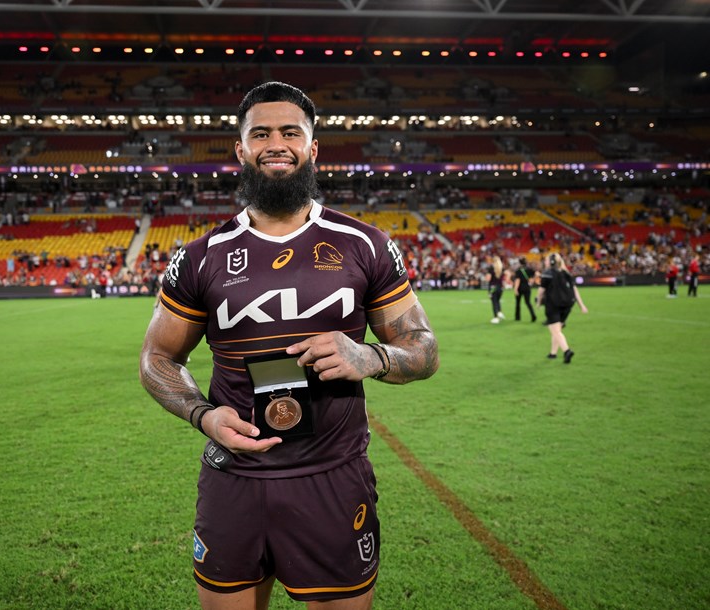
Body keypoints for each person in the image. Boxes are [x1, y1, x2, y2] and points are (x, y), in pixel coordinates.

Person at [138, 81, 439, 610]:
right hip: (234, 477)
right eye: (260, 133)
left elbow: (424, 348)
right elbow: (157, 359)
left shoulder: (364, 244)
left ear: (312, 147)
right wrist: (203, 416)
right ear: (241, 149)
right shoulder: (201, 257)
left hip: (332, 478)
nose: (276, 143)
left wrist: (371, 356)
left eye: (290, 132)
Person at [537, 253, 588, 363]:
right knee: (557, 330)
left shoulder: (547, 273)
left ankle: (567, 351)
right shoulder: (566, 273)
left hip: (553, 305)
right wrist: (581, 305)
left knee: (555, 330)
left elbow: (541, 290)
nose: (545, 262)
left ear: (551, 262)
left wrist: (538, 301)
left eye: (546, 260)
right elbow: (575, 290)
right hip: (567, 305)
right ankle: (553, 353)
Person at [513, 256, 537, 322]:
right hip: (527, 287)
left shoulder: (518, 270)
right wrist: (532, 280)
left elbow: (517, 280)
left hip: (520, 287)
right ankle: (533, 315)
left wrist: (515, 289)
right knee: (528, 302)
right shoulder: (529, 269)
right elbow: (535, 274)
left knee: (518, 303)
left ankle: (517, 317)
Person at [486, 255, 505, 324]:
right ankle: (500, 312)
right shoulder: (502, 268)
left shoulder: (491, 268)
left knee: (494, 302)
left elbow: (488, 279)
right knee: (498, 301)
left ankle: (496, 317)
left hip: (493, 287)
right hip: (500, 287)